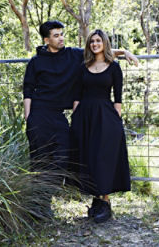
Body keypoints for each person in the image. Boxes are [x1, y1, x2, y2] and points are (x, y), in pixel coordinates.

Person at [23, 20, 137, 173]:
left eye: (62, 34)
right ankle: (40, 195)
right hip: (38, 113)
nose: (61, 38)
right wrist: (28, 116)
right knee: (40, 158)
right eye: (56, 36)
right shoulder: (36, 62)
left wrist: (124, 52)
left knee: (63, 156)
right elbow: (28, 88)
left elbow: (98, 51)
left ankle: (51, 190)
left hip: (58, 115)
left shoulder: (73, 55)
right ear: (47, 40)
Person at [70, 29, 131, 223]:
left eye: (98, 41)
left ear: (104, 43)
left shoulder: (114, 67)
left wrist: (116, 122)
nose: (94, 44)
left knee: (103, 157)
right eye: (91, 42)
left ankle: (105, 202)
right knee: (89, 157)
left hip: (106, 117)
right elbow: (77, 96)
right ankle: (96, 201)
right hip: (85, 117)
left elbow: (118, 98)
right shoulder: (83, 67)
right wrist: (75, 119)